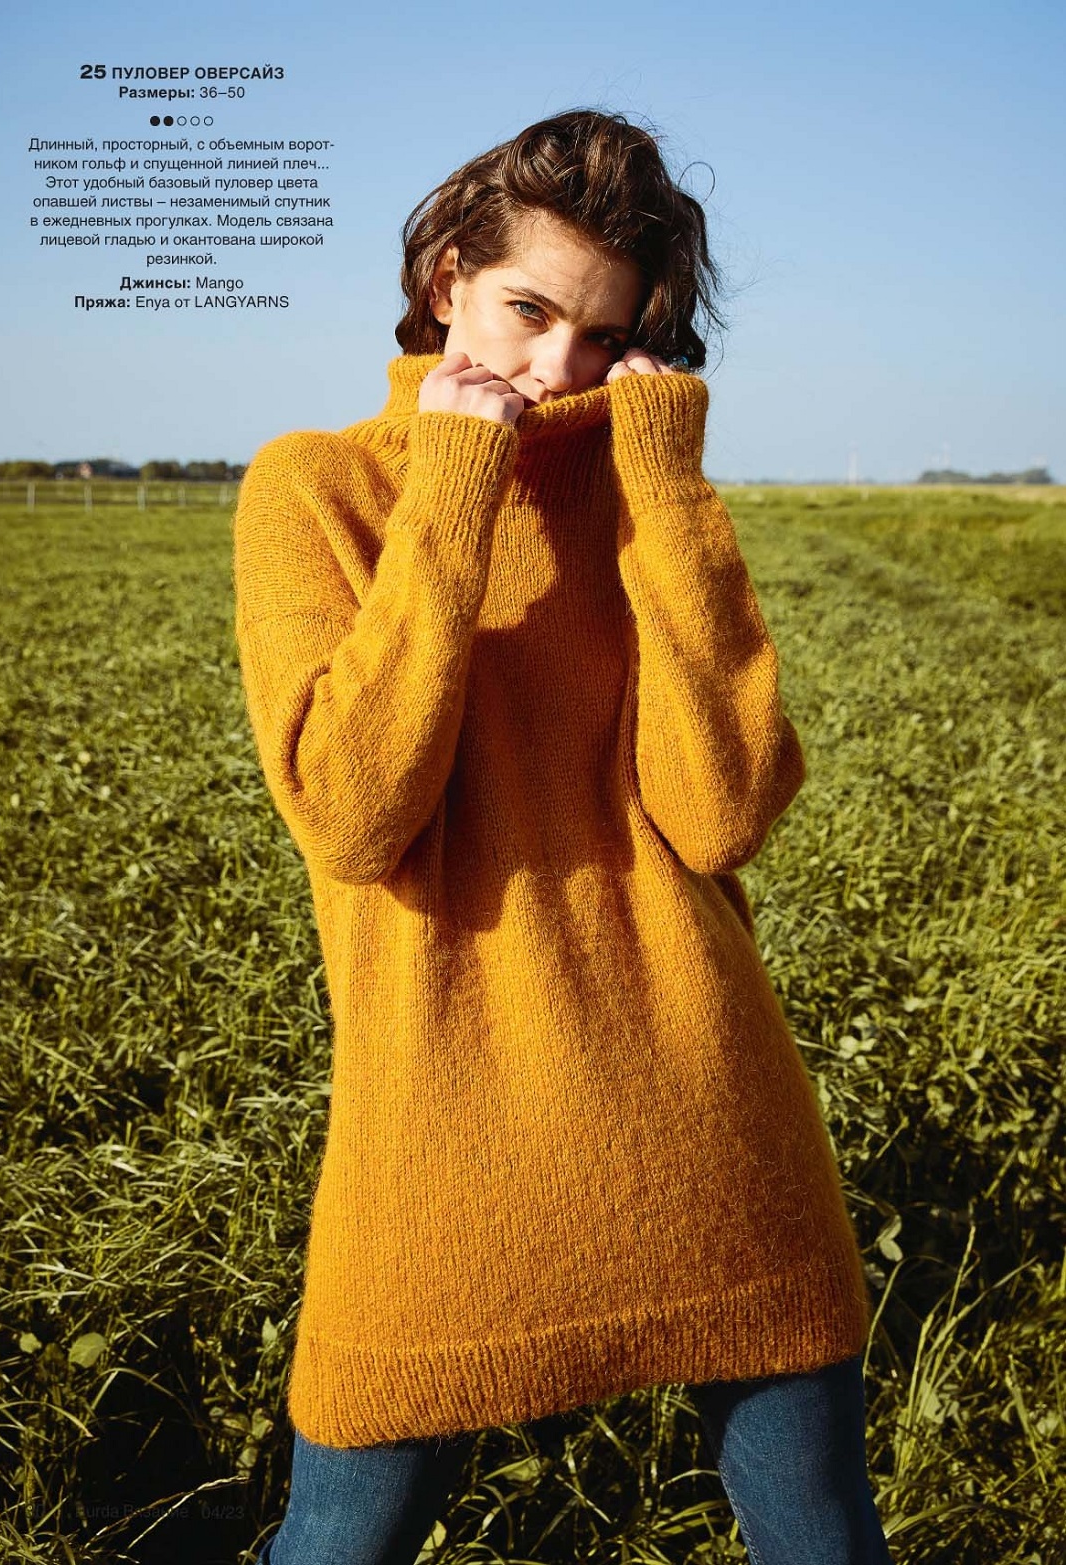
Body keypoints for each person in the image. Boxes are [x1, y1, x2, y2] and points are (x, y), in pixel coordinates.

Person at [234, 108, 894, 1565]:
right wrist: (454, 485)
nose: (555, 368)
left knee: (824, 1537)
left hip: (714, 1118)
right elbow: (355, 813)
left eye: (601, 336)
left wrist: (668, 492)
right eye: (528, 311)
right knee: (340, 1537)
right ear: (448, 278)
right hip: (438, 1136)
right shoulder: (315, 486)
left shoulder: (641, 493)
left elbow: (723, 811)